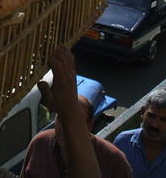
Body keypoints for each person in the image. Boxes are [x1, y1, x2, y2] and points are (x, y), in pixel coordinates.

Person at [21, 48, 130, 178]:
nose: (64, 128)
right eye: (61, 118)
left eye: (73, 121)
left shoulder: (113, 159)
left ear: (90, 125)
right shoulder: (40, 143)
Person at [113, 90, 166, 178]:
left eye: (163, 119)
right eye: (151, 116)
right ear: (143, 112)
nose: (154, 125)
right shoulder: (123, 142)